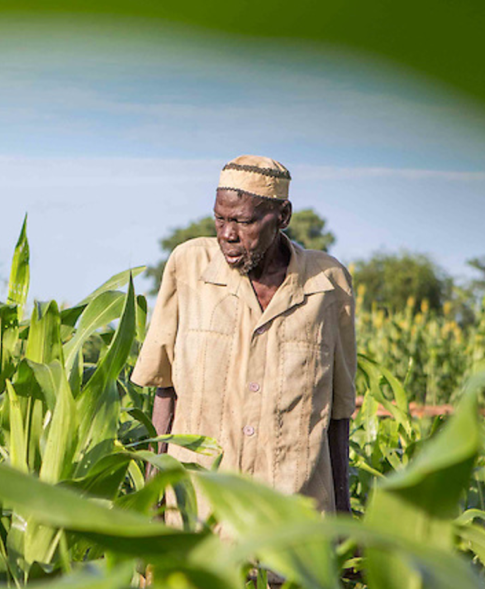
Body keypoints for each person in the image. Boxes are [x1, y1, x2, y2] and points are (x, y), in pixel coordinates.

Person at [131, 155, 357, 522]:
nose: (227, 234)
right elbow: (165, 389)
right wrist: (151, 501)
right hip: (199, 519)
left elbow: (338, 413)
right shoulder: (188, 267)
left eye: (244, 221)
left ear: (282, 216)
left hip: (291, 526)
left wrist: (343, 519)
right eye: (220, 219)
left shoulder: (328, 284)